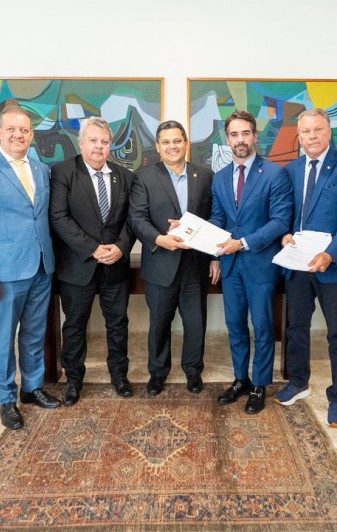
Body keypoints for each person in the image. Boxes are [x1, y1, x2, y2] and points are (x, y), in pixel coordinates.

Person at [0, 105, 60, 431]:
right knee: (3, 337)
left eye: (24, 130)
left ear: (31, 134)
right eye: (11, 129)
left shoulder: (41, 169)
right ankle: (6, 397)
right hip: (4, 273)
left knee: (34, 333)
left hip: (41, 266)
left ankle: (32, 387)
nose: (18, 135)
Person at [274, 108, 337, 428]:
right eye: (306, 131)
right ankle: (299, 381)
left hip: (333, 267)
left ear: (329, 132)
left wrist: (330, 253)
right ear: (298, 136)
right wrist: (284, 234)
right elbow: (286, 212)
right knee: (296, 327)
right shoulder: (291, 169)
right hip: (298, 265)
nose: (311, 136)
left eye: (317, 130)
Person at [209, 110, 292, 414]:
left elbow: (279, 221)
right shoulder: (219, 177)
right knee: (234, 325)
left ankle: (259, 384)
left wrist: (242, 243)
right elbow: (218, 218)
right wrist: (193, 232)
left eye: (245, 133)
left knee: (262, 326)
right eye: (234, 134)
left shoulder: (274, 174)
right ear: (227, 139)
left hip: (260, 264)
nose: (240, 139)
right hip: (230, 265)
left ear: (255, 136)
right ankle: (240, 379)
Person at [49, 117, 135, 405]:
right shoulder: (63, 172)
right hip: (77, 265)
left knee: (118, 324)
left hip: (115, 266)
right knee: (74, 325)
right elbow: (59, 217)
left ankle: (119, 377)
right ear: (81, 143)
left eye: (104, 142)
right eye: (93, 140)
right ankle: (73, 380)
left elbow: (132, 219)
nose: (99, 146)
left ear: (110, 146)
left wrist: (121, 247)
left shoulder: (125, 176)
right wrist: (92, 249)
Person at [129, 120, 217, 395]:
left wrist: (215, 256)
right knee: (159, 325)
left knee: (195, 324)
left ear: (186, 143)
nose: (172, 146)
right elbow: (137, 218)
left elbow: (215, 216)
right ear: (158, 146)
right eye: (166, 142)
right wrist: (159, 239)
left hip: (195, 265)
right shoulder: (144, 177)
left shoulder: (205, 175)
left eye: (177, 140)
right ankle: (157, 373)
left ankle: (193, 371)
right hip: (160, 264)